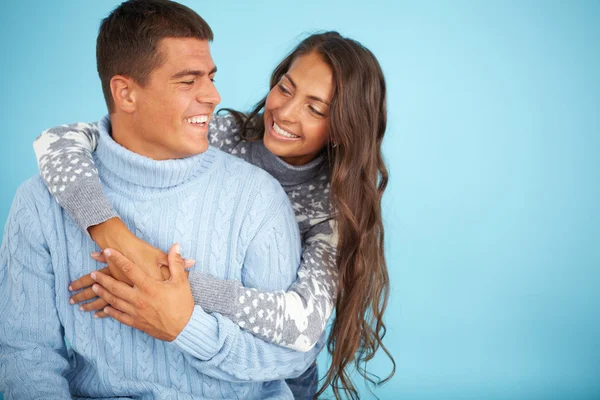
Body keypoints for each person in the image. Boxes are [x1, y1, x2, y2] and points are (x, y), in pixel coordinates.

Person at [33, 23, 395, 400]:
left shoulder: (333, 210)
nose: (285, 112)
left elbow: (301, 323)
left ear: (342, 129)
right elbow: (57, 141)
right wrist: (116, 237)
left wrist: (165, 283)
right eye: (285, 88)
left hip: (277, 374)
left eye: (314, 108)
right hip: (189, 368)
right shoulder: (224, 137)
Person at [0, 1, 321, 398]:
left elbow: (291, 355)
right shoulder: (40, 201)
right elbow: (26, 357)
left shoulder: (258, 197)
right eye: (188, 81)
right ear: (126, 94)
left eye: (211, 77)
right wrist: (111, 231)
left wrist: (184, 325)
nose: (213, 95)